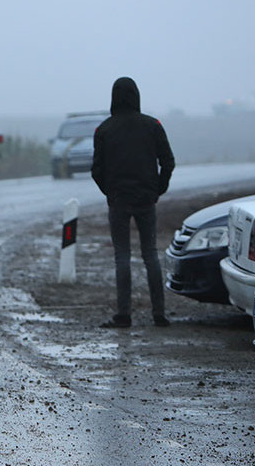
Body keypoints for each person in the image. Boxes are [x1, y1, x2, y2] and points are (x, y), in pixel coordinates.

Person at [92, 77, 175, 328]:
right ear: (136, 96)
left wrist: (110, 192)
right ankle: (159, 313)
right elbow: (168, 161)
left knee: (122, 256)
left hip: (118, 200)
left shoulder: (104, 129)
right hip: (146, 200)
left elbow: (96, 170)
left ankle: (123, 314)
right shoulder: (153, 125)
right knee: (150, 254)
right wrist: (157, 189)